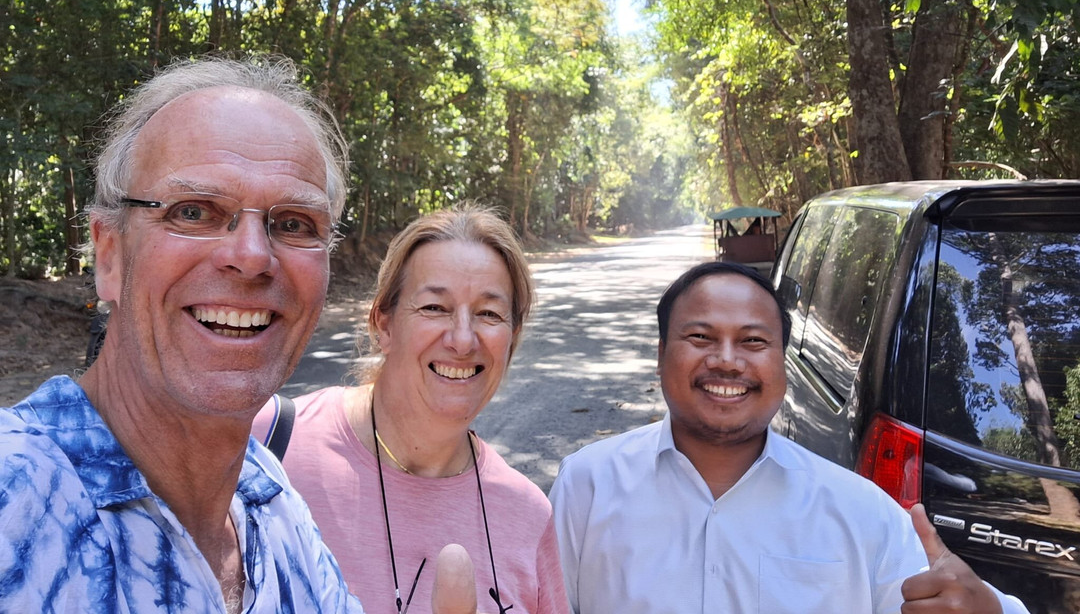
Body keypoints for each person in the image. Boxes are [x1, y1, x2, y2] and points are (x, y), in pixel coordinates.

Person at [0, 56, 473, 614]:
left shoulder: (269, 498)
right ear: (110, 254)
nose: (251, 257)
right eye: (194, 211)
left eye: (294, 223)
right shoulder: (14, 499)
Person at [548, 261, 1031, 614]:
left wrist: (985, 608)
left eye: (754, 341)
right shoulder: (588, 485)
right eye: (700, 337)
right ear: (660, 355)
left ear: (782, 362)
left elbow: (954, 601)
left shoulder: (859, 512)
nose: (727, 360)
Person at [252, 206, 571, 614]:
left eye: (488, 314)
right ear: (383, 325)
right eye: (434, 308)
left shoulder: (526, 515)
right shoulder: (268, 447)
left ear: (512, 337)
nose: (462, 339)